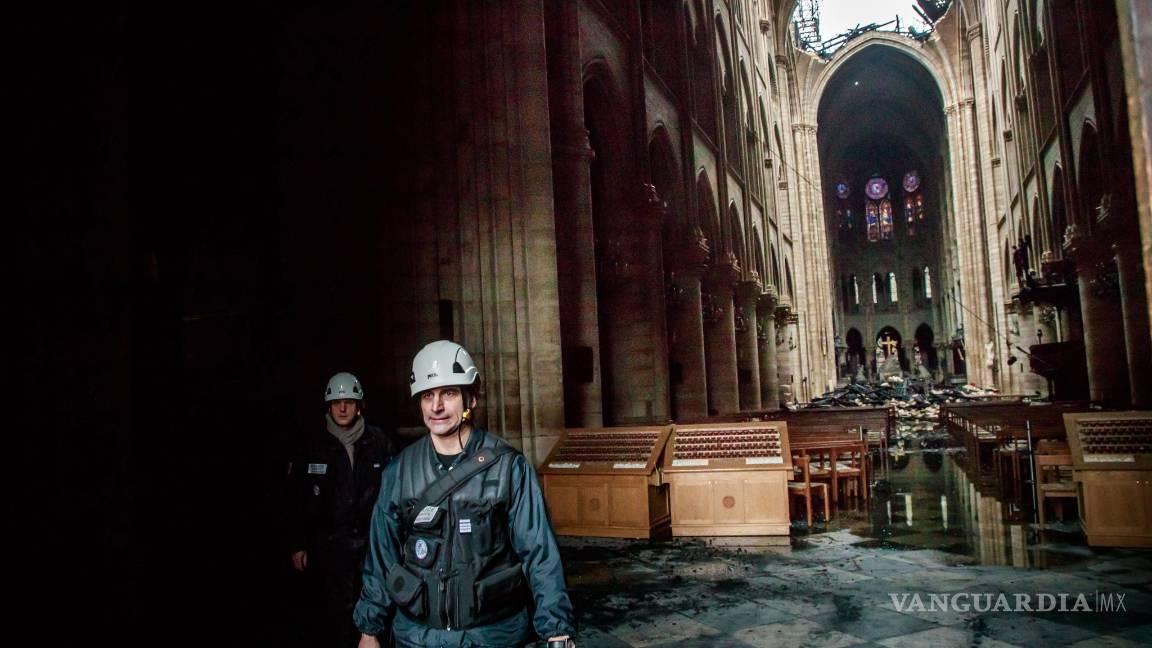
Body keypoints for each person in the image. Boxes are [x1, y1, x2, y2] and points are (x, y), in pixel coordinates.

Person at [354, 340, 576, 648]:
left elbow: (539, 552)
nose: (436, 406)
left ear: (470, 397)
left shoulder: (507, 467)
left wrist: (557, 630)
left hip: (491, 636)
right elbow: (381, 556)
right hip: (418, 637)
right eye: (428, 395)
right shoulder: (400, 471)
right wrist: (369, 628)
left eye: (448, 393)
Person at [287, 372, 397, 647]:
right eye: (337, 402)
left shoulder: (378, 442)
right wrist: (298, 544)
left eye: (349, 401)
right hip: (329, 549)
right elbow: (296, 498)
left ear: (359, 404)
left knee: (373, 612)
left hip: (370, 546)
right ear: (329, 405)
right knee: (333, 617)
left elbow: (395, 492)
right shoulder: (313, 445)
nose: (343, 408)